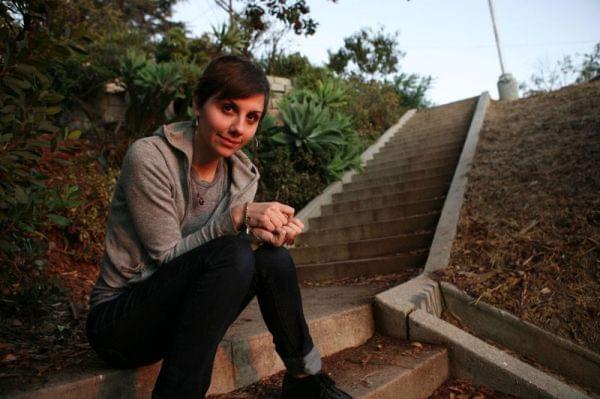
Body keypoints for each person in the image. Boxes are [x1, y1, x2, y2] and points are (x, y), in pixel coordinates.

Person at [85, 55, 352, 399]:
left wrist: (263, 235)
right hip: (120, 323)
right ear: (198, 104)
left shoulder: (242, 176)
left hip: (178, 321)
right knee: (234, 251)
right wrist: (237, 219)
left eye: (251, 117)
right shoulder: (149, 158)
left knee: (271, 258)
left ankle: (305, 379)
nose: (239, 127)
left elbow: (220, 263)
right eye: (228, 109)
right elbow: (167, 258)